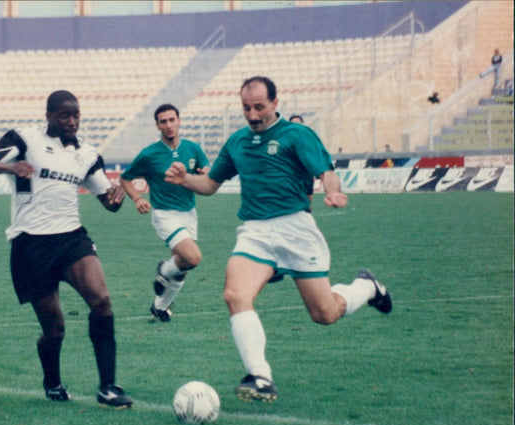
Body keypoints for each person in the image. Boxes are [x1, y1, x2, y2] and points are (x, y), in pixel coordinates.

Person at [164, 76, 392, 402]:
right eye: (246, 108)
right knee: (234, 294)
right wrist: (186, 179)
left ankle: (366, 287)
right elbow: (211, 184)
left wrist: (332, 192)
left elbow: (326, 173)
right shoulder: (238, 142)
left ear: (275, 103)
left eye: (259, 107)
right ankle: (260, 377)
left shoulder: (296, 135)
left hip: (296, 230)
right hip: (255, 232)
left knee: (324, 314)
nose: (253, 115)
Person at [0, 90, 134, 409]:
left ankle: (108, 387)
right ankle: (53, 382)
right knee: (55, 330)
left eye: (76, 115)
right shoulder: (24, 139)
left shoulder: (86, 154)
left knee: (101, 300)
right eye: (64, 115)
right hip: (30, 244)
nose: (72, 121)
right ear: (48, 115)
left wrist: (116, 197)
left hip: (71, 238)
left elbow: (106, 201)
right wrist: (10, 169)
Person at [118, 104, 210, 322]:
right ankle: (164, 269)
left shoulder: (193, 149)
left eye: (172, 120)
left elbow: (205, 170)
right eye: (163, 121)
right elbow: (125, 178)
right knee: (193, 257)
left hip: (189, 212)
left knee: (183, 266)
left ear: (179, 121)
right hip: (165, 214)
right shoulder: (149, 154)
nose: (168, 125)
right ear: (157, 125)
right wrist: (138, 198)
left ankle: (160, 306)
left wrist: (206, 172)